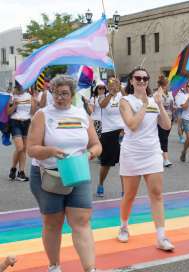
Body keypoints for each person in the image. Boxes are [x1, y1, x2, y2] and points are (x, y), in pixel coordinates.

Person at [27, 75, 102, 272]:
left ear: (72, 94)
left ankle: (90, 269)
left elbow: (96, 145)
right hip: (48, 176)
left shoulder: (81, 115)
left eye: (64, 94)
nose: (60, 98)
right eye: (56, 93)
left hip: (77, 173)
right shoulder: (42, 115)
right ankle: (54, 266)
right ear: (51, 93)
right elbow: (31, 149)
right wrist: (50, 151)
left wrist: (89, 154)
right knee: (53, 223)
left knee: (82, 221)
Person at [117, 67, 175, 251]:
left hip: (152, 153)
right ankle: (124, 226)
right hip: (132, 153)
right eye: (138, 78)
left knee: (157, 194)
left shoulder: (154, 100)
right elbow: (132, 125)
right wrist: (144, 105)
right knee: (130, 195)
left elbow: (166, 126)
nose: (142, 81)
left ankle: (161, 237)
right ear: (131, 81)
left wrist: (158, 105)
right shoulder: (125, 101)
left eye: (145, 78)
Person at [97, 77, 124, 197]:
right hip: (108, 133)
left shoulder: (122, 96)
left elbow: (130, 99)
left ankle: (125, 190)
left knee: (125, 163)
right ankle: (101, 184)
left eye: (115, 83)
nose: (113, 85)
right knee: (106, 164)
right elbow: (102, 105)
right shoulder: (103, 96)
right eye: (111, 84)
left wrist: (121, 88)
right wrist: (111, 94)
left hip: (122, 132)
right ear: (107, 86)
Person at [7, 83, 37, 182]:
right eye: (20, 86)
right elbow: (8, 112)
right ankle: (14, 168)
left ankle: (20, 172)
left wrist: (34, 104)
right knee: (20, 147)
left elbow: (32, 112)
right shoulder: (12, 96)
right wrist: (14, 105)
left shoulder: (30, 96)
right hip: (15, 122)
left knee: (23, 149)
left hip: (27, 122)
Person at [156, 75, 174, 167]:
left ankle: (159, 155)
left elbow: (171, 105)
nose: (166, 86)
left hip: (170, 118)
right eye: (165, 84)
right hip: (160, 119)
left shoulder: (170, 94)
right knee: (164, 139)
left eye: (167, 84)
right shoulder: (157, 94)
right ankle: (166, 159)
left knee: (162, 139)